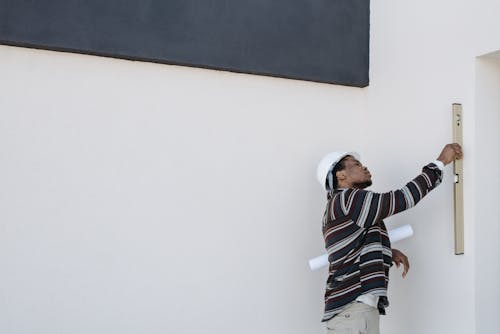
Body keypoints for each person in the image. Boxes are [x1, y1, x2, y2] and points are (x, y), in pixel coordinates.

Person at [316, 143, 463, 334]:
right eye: (356, 164)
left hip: (351, 313)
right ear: (340, 175)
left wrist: (387, 251)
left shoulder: (335, 207)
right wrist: (441, 162)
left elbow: (351, 248)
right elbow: (403, 198)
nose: (364, 167)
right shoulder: (349, 199)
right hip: (353, 313)